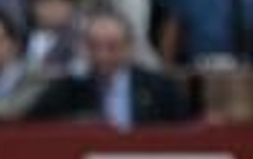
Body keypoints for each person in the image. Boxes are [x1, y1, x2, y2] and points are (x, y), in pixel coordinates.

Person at [26, 8, 192, 128]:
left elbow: (185, 129)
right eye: (94, 46)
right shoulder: (65, 91)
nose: (102, 56)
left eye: (112, 47)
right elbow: (34, 128)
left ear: (128, 48)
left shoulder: (159, 88)